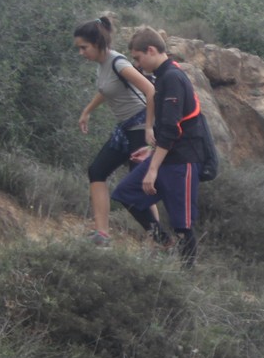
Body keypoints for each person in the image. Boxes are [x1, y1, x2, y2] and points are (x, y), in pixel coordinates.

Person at [109, 28, 201, 265]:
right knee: (125, 193)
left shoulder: (172, 77)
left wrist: (152, 169)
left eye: (138, 58)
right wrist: (151, 149)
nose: (137, 65)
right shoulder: (162, 76)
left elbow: (172, 129)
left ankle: (185, 274)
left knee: (183, 226)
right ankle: (163, 240)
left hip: (181, 160)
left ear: (151, 50)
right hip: (164, 155)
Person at [73, 15, 157, 248]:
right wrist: (87, 111)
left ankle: (158, 239)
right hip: (125, 128)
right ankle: (102, 233)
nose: (81, 53)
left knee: (140, 185)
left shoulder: (118, 62)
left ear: (97, 43)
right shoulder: (102, 65)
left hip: (140, 128)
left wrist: (150, 127)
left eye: (84, 47)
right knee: (97, 171)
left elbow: (151, 90)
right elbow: (107, 89)